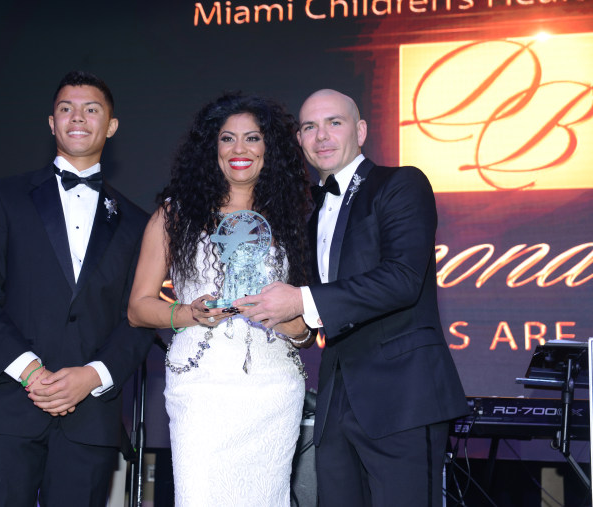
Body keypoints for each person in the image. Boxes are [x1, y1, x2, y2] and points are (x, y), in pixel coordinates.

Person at [234, 89, 468, 506]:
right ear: (300, 141)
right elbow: (307, 312)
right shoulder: (306, 213)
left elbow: (401, 279)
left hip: (403, 396)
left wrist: (300, 301)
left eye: (334, 123)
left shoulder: (400, 184)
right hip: (335, 400)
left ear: (360, 130)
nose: (321, 135)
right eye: (309, 127)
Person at [0, 70, 154, 506]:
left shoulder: (139, 222)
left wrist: (92, 377)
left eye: (91, 109)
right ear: (52, 123)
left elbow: (140, 316)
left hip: (92, 419)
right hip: (10, 407)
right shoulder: (3, 197)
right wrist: (28, 369)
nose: (77, 117)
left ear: (111, 126)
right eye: (66, 108)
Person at [127, 93, 315, 505]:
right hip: (201, 387)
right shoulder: (174, 216)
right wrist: (188, 313)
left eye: (253, 138)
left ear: (270, 149)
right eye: (228, 138)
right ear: (211, 148)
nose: (240, 149)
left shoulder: (294, 218)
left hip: (272, 389)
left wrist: (281, 319)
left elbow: (305, 328)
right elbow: (139, 307)